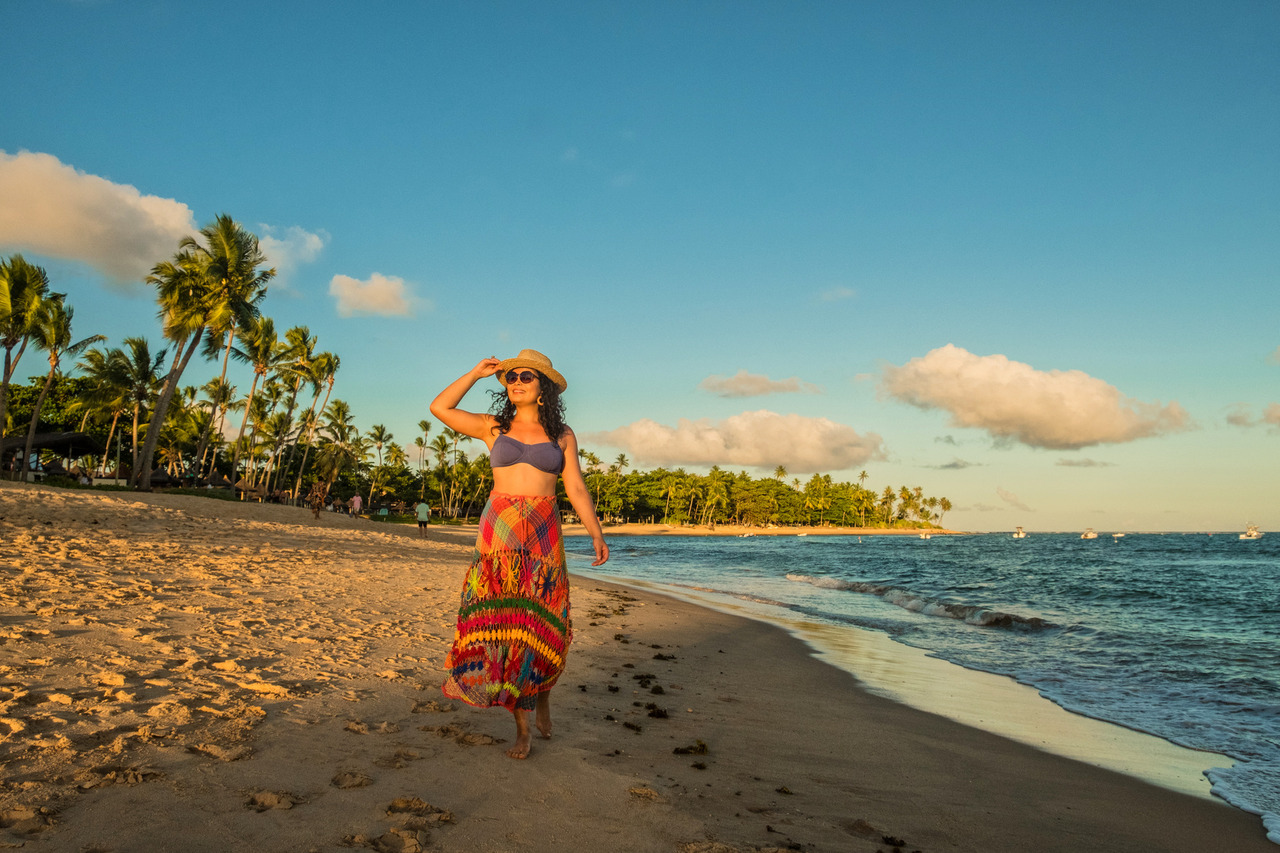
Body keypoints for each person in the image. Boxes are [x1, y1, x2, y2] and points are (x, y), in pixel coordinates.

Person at [430, 349, 608, 759]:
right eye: (511, 377)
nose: (516, 382)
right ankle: (522, 727)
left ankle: (541, 690)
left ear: (543, 387)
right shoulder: (494, 427)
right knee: (508, 626)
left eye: (526, 376)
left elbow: (576, 488)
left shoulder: (562, 434)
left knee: (544, 623)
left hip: (544, 531)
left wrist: (596, 533)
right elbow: (440, 407)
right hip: (500, 534)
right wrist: (476, 373)